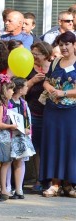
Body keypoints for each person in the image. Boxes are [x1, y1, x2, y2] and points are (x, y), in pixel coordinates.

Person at [40, 32, 76, 197]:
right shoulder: (55, 62)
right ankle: (55, 184)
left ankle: (69, 184)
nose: (64, 47)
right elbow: (47, 80)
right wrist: (50, 89)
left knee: (69, 146)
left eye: (67, 44)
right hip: (52, 110)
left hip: (71, 111)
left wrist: (63, 94)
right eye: (61, 44)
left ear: (74, 44)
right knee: (53, 145)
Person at [25, 41, 53, 193]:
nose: (34, 57)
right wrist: (32, 81)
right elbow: (21, 91)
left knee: (50, 147)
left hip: (52, 113)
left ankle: (52, 180)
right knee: (37, 148)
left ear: (46, 55)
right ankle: (39, 179)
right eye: (33, 54)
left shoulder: (54, 67)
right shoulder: (28, 68)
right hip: (34, 112)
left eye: (37, 54)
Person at [7, 77, 33, 199]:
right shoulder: (8, 103)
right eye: (25, 86)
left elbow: (28, 118)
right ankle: (7, 187)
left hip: (21, 136)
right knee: (8, 162)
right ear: (19, 89)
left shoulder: (23, 103)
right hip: (10, 135)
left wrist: (27, 129)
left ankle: (19, 189)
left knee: (20, 161)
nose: (27, 88)